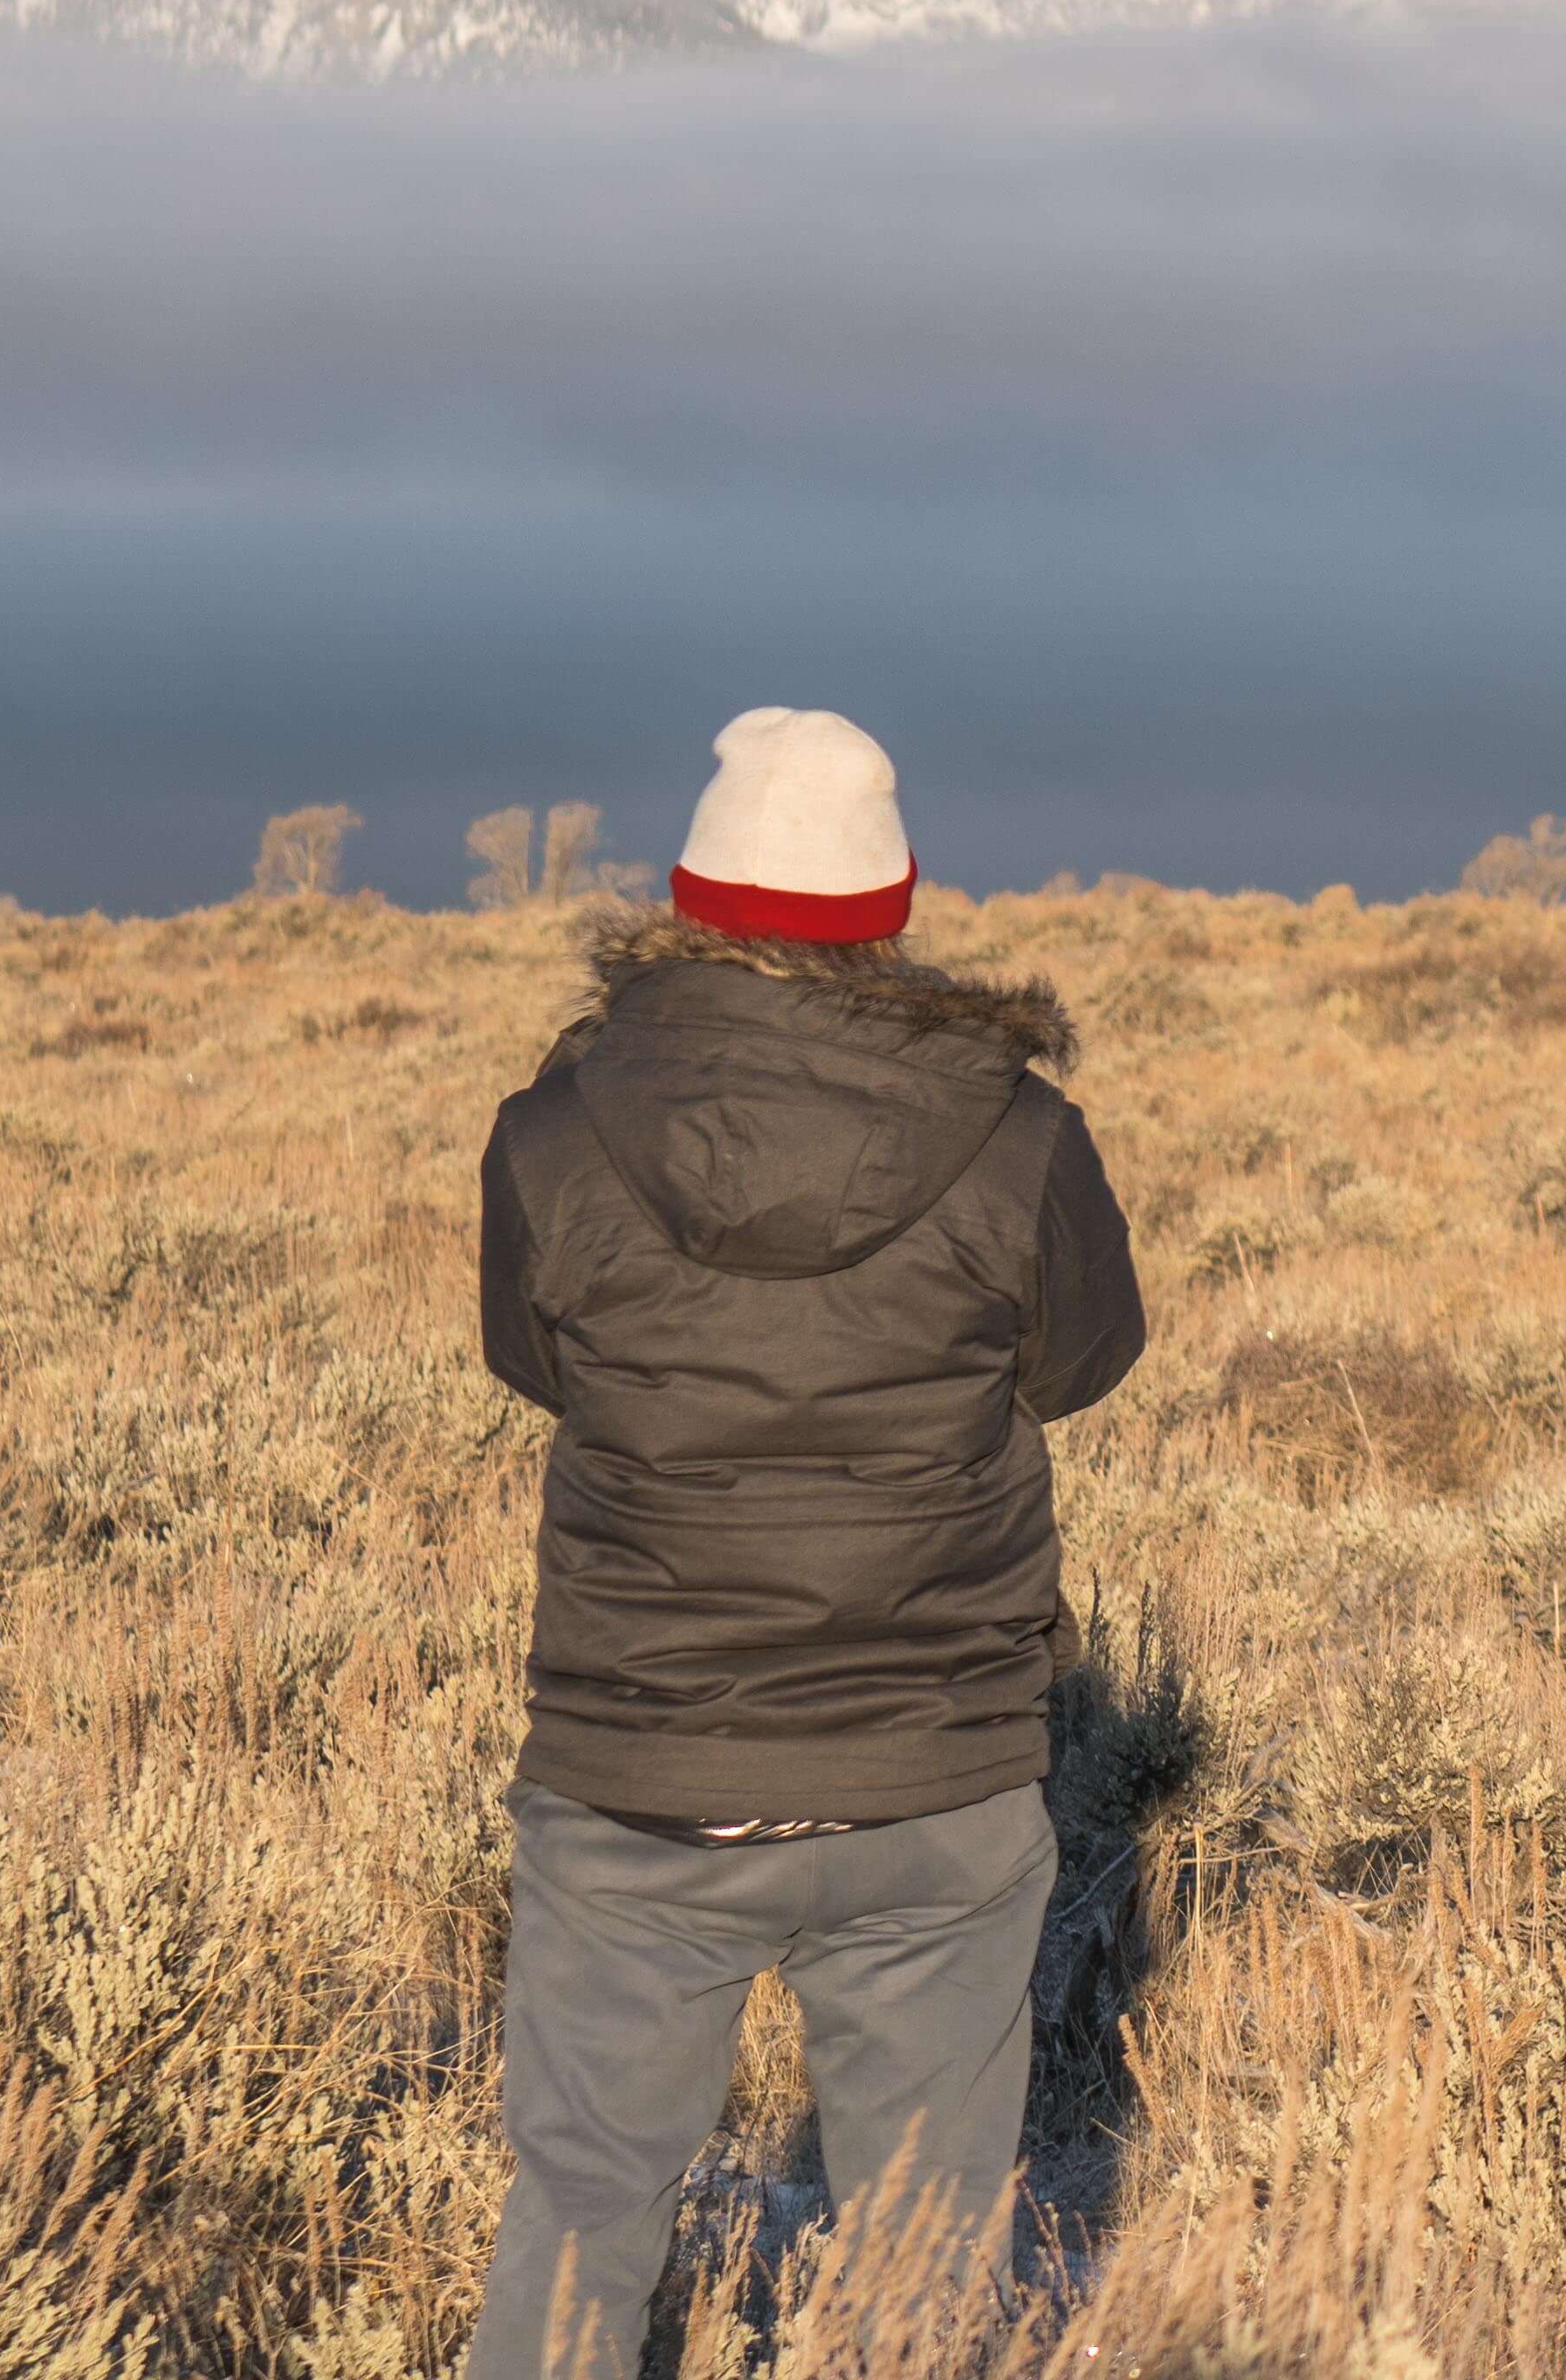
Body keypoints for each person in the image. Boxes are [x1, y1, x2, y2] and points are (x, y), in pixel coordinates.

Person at [465, 707, 1146, 2380]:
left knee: (578, 2216)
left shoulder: (551, 1135)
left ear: (692, 902)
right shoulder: (1020, 1138)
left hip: (639, 1764)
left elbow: (529, 1364)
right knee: (921, 2266)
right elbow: (1081, 1364)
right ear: (889, 911)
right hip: (933, 1778)